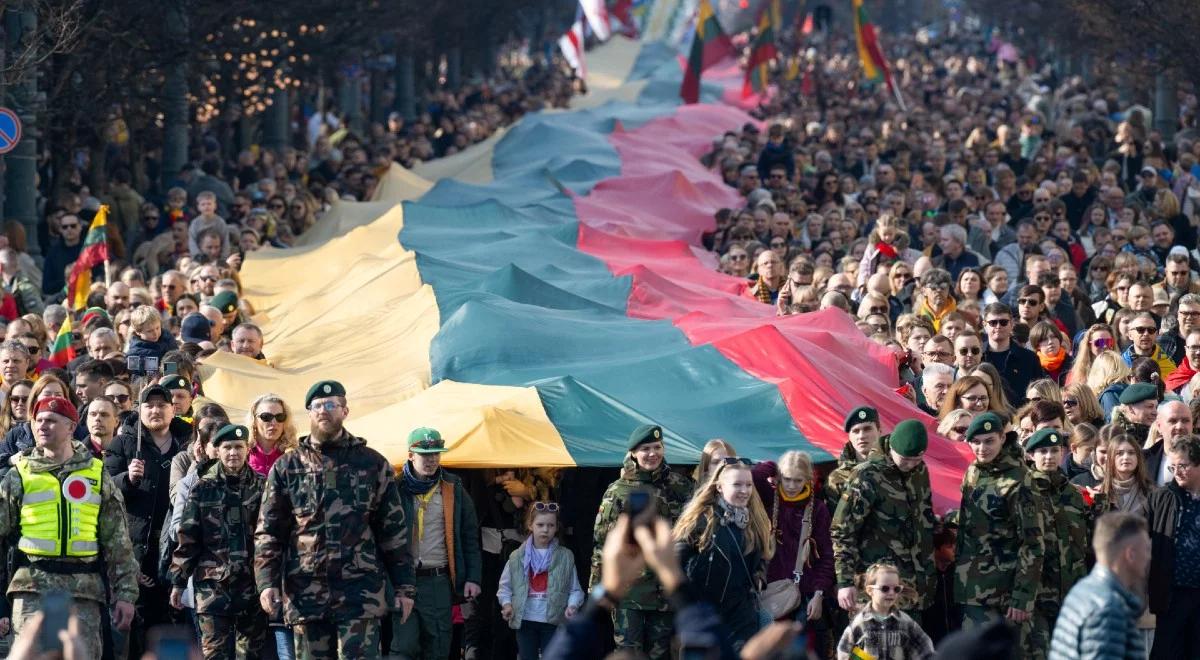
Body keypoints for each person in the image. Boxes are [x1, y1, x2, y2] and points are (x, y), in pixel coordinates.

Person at [254, 380, 415, 659]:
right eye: (317, 406)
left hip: (360, 594)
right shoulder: (287, 467)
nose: (324, 411)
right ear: (309, 413)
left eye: (331, 405)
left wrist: (405, 587)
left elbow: (393, 530)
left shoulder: (372, 463)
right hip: (306, 592)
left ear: (345, 411)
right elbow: (269, 531)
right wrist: (266, 582)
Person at [0, 396, 138, 658]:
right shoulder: (20, 474)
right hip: (31, 588)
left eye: (51, 421)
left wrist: (126, 594)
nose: (42, 426)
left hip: (83, 591)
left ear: (72, 427)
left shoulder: (96, 474)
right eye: (38, 421)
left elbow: (118, 541)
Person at [589, 424, 694, 660]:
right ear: (633, 453)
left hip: (666, 593)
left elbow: (694, 536)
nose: (652, 454)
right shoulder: (617, 492)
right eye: (645, 448)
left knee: (662, 655)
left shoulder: (682, 487)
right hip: (629, 593)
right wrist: (597, 589)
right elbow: (601, 543)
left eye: (657, 447)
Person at [102, 383, 192, 655]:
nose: (155, 410)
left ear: (173, 409)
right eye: (149, 405)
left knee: (172, 625)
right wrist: (127, 479)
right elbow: (105, 487)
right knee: (134, 630)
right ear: (139, 409)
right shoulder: (124, 442)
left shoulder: (186, 442)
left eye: (162, 405)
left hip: (175, 550)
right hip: (136, 550)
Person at [168, 423, 267, 658]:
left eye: (238, 447)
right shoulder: (202, 488)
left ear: (247, 450)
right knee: (214, 654)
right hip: (212, 587)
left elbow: (273, 536)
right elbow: (188, 538)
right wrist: (178, 581)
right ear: (218, 451)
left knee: (250, 654)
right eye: (227, 447)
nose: (233, 453)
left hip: (252, 586)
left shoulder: (262, 486)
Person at [392, 426, 483, 659]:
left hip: (438, 580)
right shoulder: (395, 488)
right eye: (425, 454)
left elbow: (469, 534)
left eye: (436, 454)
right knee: (405, 646)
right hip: (405, 581)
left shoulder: (453, 487)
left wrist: (473, 577)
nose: (432, 460)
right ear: (411, 454)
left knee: (439, 645)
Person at [831, 420, 937, 617]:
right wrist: (844, 582)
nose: (910, 465)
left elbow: (922, 517)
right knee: (869, 645)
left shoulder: (919, 470)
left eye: (916, 459)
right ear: (892, 448)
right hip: (876, 586)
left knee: (910, 645)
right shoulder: (867, 475)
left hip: (912, 588)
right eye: (905, 459)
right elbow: (842, 530)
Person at [956, 412, 1044, 642]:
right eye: (975, 442)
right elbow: (970, 522)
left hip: (1003, 592)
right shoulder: (973, 472)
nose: (982, 448)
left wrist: (1022, 597)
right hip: (971, 587)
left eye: (989, 441)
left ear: (1002, 438)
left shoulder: (1020, 480)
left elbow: (1032, 543)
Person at [674, 457, 772, 649]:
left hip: (742, 614)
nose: (744, 491)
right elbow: (674, 560)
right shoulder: (702, 519)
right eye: (737, 484)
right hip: (705, 614)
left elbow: (762, 557)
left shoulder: (755, 521)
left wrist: (760, 576)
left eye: (748, 485)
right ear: (719, 487)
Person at [752, 450, 835, 655]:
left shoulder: (818, 509)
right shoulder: (769, 499)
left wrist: (818, 594)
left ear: (808, 479)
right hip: (770, 593)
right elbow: (755, 476)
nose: (791, 486)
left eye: (797, 480)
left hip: (804, 595)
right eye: (786, 479)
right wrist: (773, 465)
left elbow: (826, 555)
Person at [1049, 512, 1150, 660]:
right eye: (1146, 549)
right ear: (1130, 554)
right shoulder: (1109, 609)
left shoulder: (1082, 591)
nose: (1149, 556)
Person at [1024, 428, 1088, 660]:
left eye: (1054, 450)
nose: (1049, 456)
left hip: (1071, 592)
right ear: (1031, 455)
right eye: (1042, 451)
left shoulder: (1074, 494)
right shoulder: (1022, 492)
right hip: (1037, 595)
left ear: (1063, 453)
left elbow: (1084, 542)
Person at [498, 501, 584, 660]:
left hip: (552, 621)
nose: (545, 529)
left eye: (551, 525)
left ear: (557, 527)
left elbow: (575, 590)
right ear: (530, 525)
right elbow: (505, 588)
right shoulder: (517, 557)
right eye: (540, 524)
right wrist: (507, 604)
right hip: (525, 620)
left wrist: (572, 606)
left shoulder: (566, 556)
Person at [1146, 435, 1200, 659]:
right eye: (1173, 466)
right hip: (1171, 595)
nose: (1177, 471)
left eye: (1183, 465)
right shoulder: (1162, 497)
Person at [835, 562, 934, 660]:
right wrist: (862, 658)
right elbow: (844, 651)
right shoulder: (860, 622)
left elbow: (926, 651)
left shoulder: (906, 622)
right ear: (870, 590)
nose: (891, 593)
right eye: (885, 589)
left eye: (896, 589)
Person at [982, 302, 1045, 405]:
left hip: (1020, 415)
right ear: (985, 325)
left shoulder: (1029, 358)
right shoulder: (976, 355)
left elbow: (1040, 393)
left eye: (1003, 322)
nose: (998, 326)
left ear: (1011, 324)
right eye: (993, 323)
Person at [825, 406, 882, 510]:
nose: (861, 436)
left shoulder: (896, 466)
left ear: (879, 431)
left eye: (867, 429)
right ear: (849, 437)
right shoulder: (836, 479)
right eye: (855, 431)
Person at [247, 393, 297, 477]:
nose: (274, 423)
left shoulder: (295, 455)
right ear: (254, 420)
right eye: (266, 417)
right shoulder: (243, 451)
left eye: (280, 417)